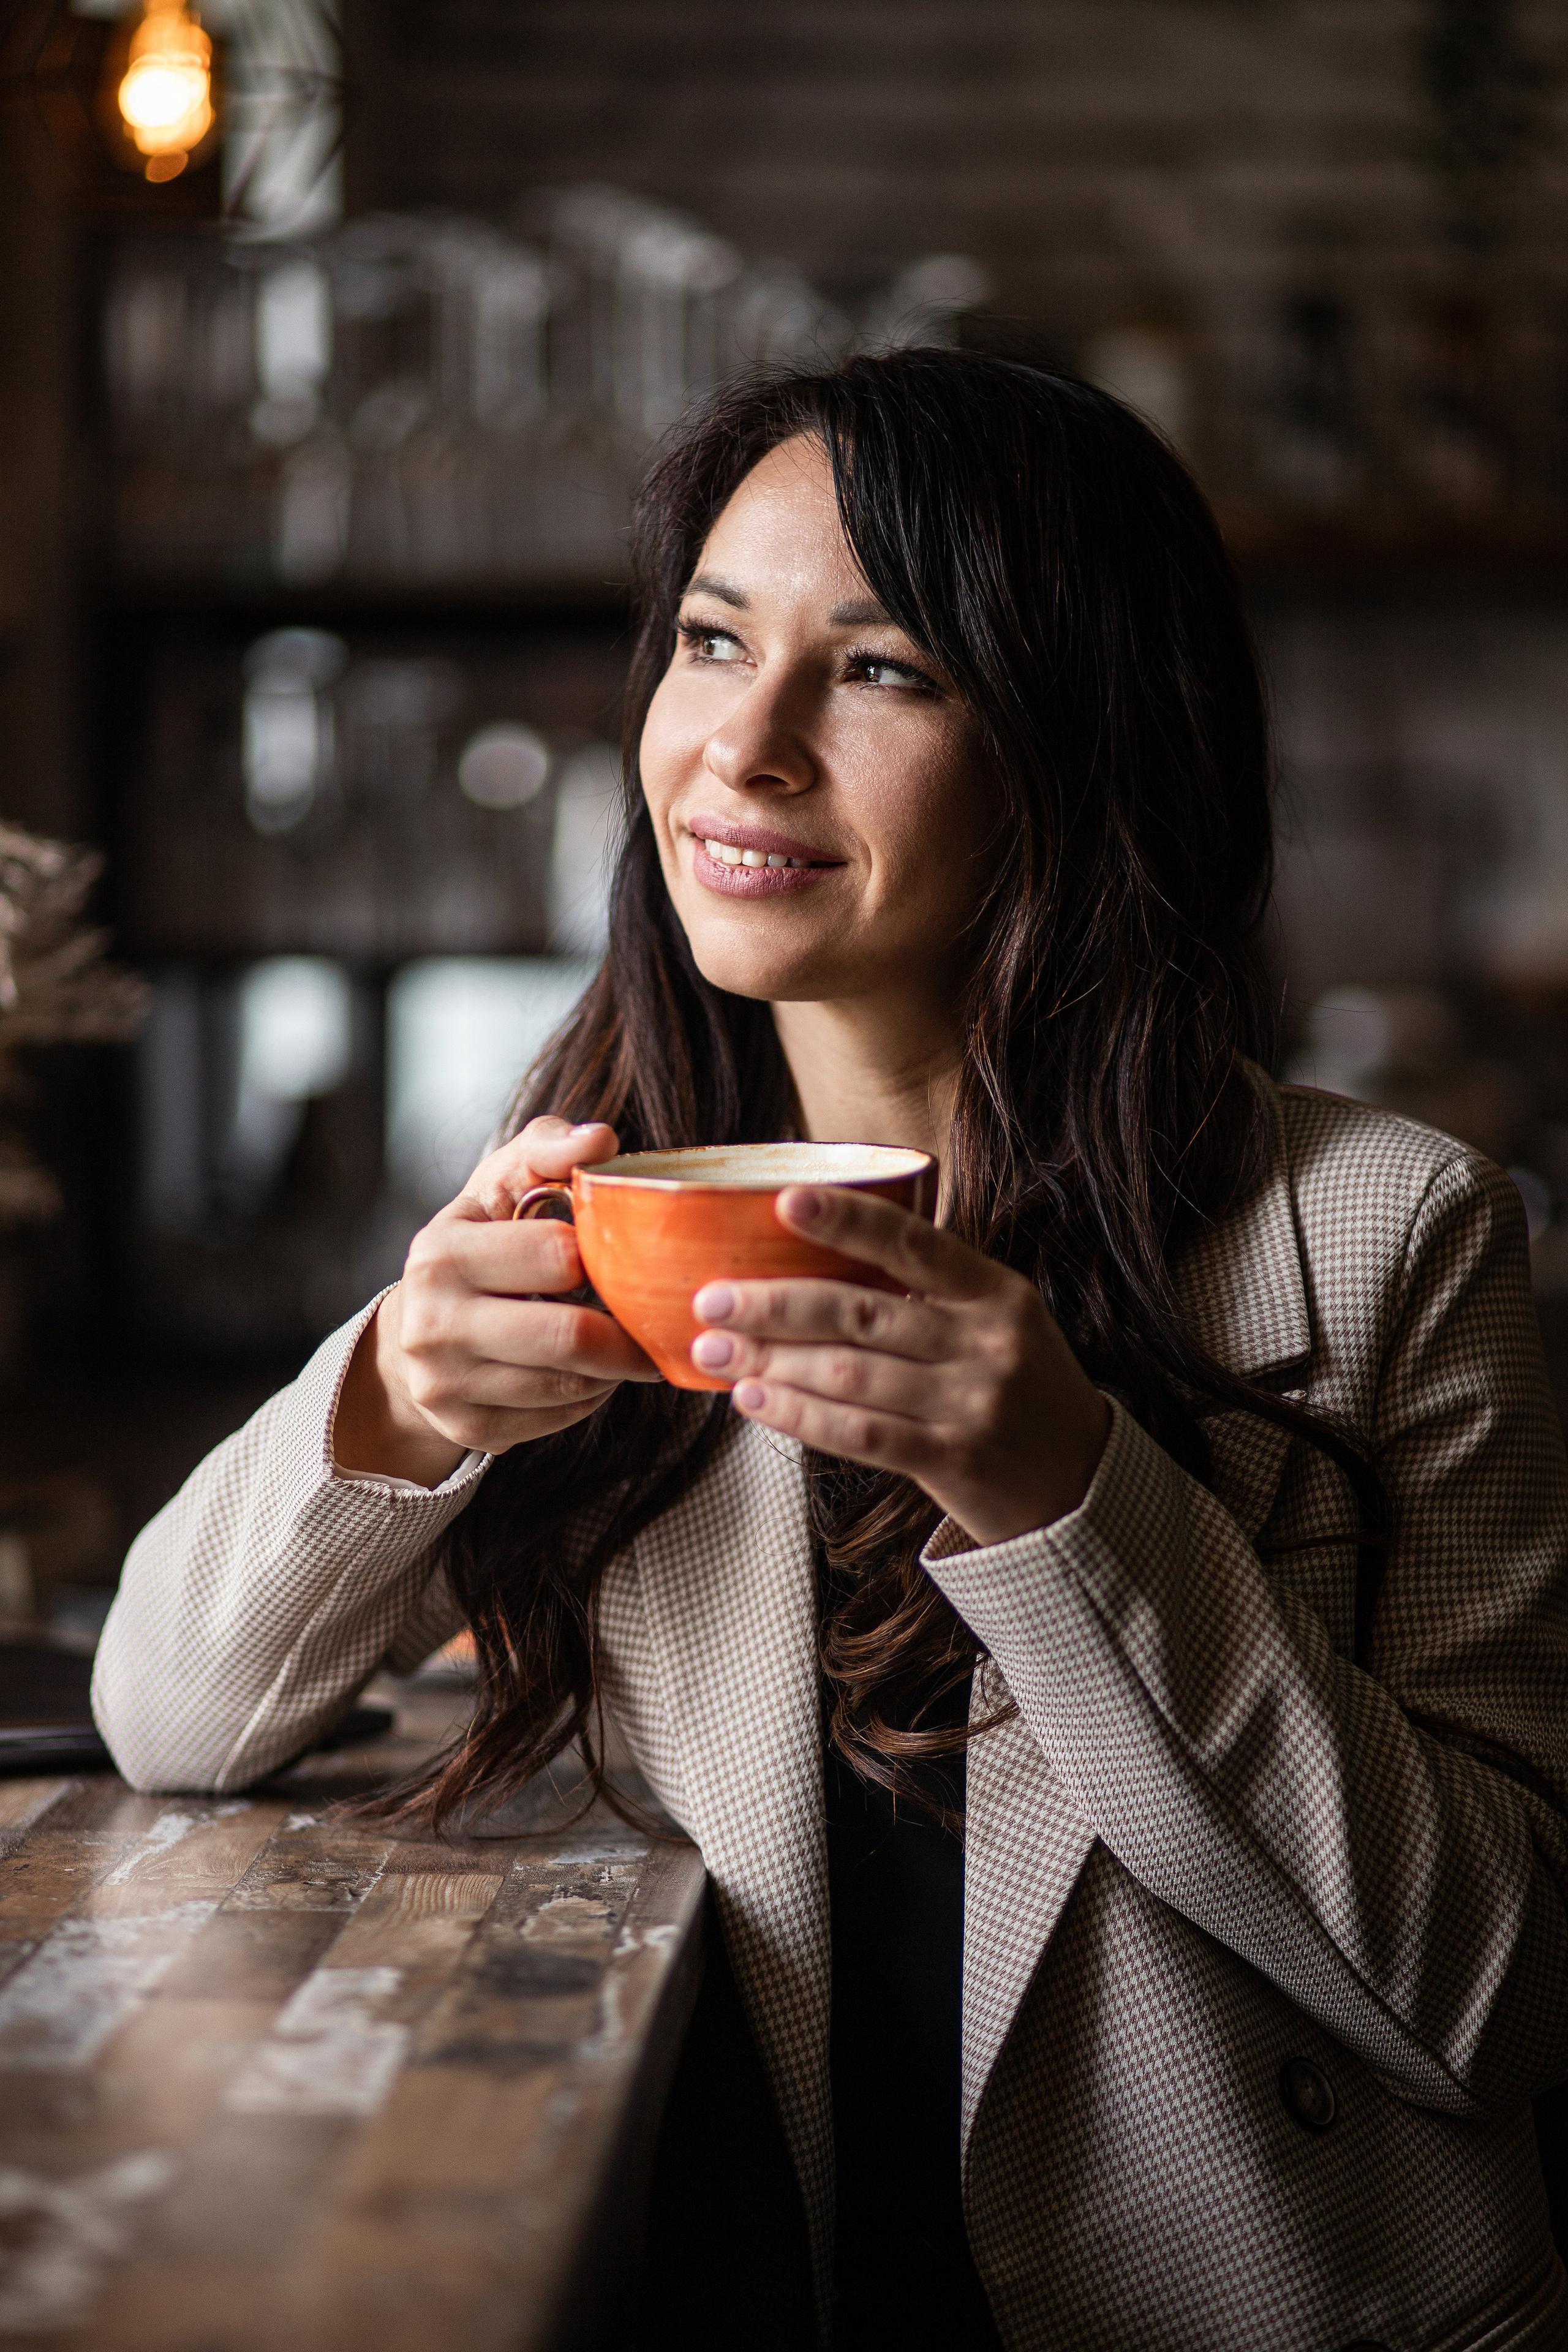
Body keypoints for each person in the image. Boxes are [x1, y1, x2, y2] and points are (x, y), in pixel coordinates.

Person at [94, 350, 1568, 2351]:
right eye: (713, 642)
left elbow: (1495, 2004)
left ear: (1082, 744)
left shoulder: (1389, 1237)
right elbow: (173, 1722)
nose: (746, 746)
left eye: (881, 671)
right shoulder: (606, 1215)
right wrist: (400, 1401)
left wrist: (1069, 1500)